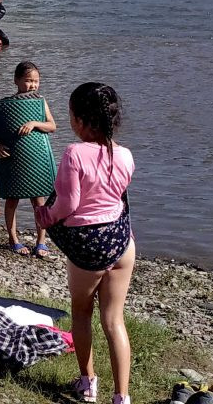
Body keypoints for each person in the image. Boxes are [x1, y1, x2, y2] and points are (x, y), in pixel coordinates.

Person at [34, 83, 135, 404]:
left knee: (81, 312)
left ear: (79, 120)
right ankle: (122, 397)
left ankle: (88, 383)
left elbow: (68, 204)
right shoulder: (126, 155)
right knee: (114, 320)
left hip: (88, 246)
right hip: (121, 242)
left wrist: (44, 215)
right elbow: (117, 197)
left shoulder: (74, 153)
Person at [0, 61, 57, 258]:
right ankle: (13, 238)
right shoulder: (7, 105)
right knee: (12, 199)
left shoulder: (40, 102)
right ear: (16, 80)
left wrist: (34, 123)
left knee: (39, 199)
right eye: (28, 81)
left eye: (36, 81)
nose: (32, 85)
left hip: (34, 156)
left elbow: (52, 126)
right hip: (12, 155)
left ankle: (41, 241)